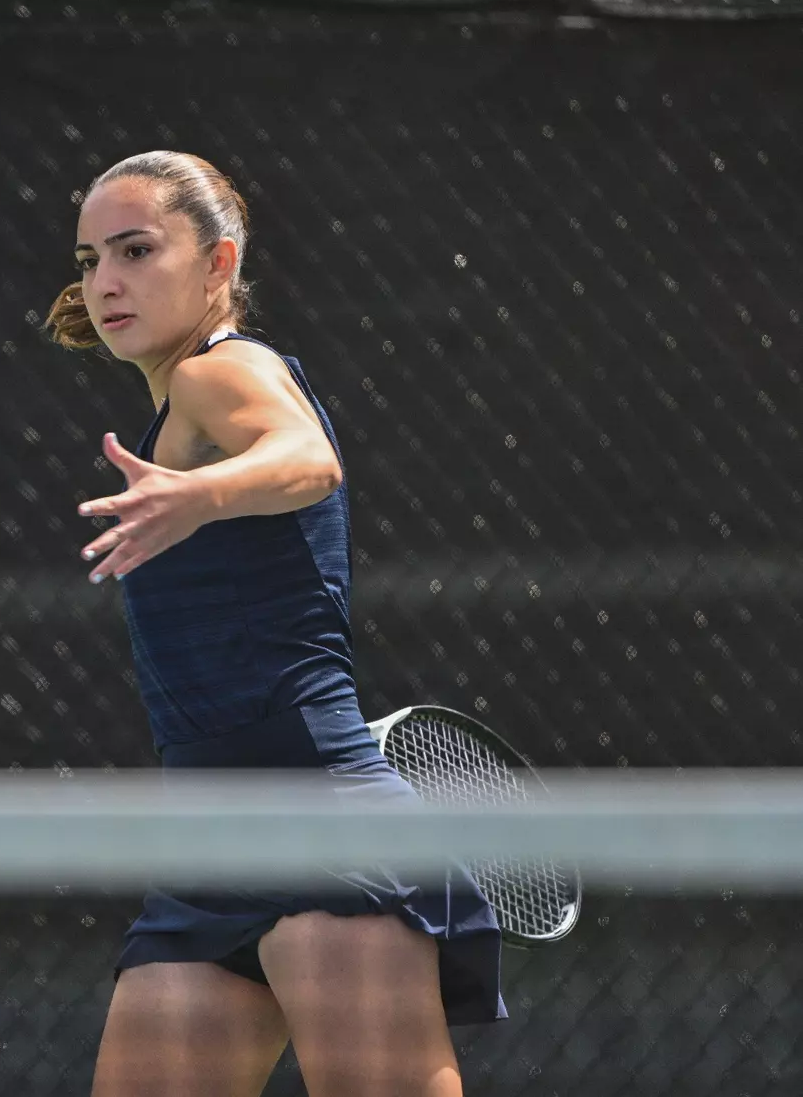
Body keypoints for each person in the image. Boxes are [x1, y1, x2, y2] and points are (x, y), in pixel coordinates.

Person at [45, 151, 506, 1097]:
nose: (106, 281)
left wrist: (203, 495)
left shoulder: (227, 371)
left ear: (219, 264)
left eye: (136, 249)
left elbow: (306, 458)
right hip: (210, 852)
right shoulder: (176, 406)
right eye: (91, 258)